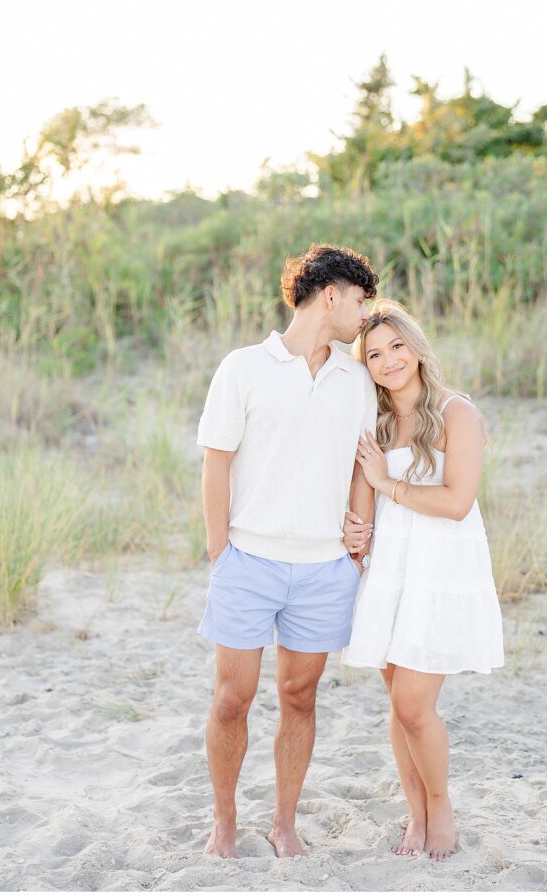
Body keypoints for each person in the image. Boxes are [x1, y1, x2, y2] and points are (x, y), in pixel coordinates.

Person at [195, 244, 379, 859]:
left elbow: (362, 462)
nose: (364, 314)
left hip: (325, 566)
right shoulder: (244, 368)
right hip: (249, 561)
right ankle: (224, 820)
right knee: (232, 698)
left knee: (300, 696)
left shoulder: (357, 378)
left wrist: (357, 535)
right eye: (360, 300)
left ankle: (283, 821)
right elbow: (216, 463)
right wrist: (221, 553)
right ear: (332, 294)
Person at [341, 298, 504, 861]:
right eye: (375, 354)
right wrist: (354, 532)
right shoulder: (376, 422)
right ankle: (416, 815)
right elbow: (360, 496)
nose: (388, 362)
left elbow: (459, 501)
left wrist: (387, 486)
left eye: (396, 347)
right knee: (398, 703)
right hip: (389, 570)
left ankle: (442, 807)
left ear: (415, 346)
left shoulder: (457, 413)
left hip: (440, 570)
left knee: (413, 703)